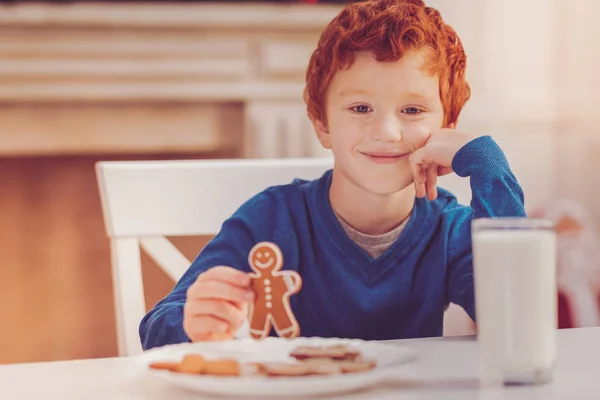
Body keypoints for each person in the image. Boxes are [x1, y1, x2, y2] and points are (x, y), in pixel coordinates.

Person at [140, 0, 526, 350]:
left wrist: (484, 161)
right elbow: (159, 327)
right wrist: (195, 325)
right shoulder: (270, 218)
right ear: (322, 124)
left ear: (446, 127)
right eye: (360, 108)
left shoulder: (449, 231)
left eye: (412, 110)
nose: (387, 132)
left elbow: (515, 314)